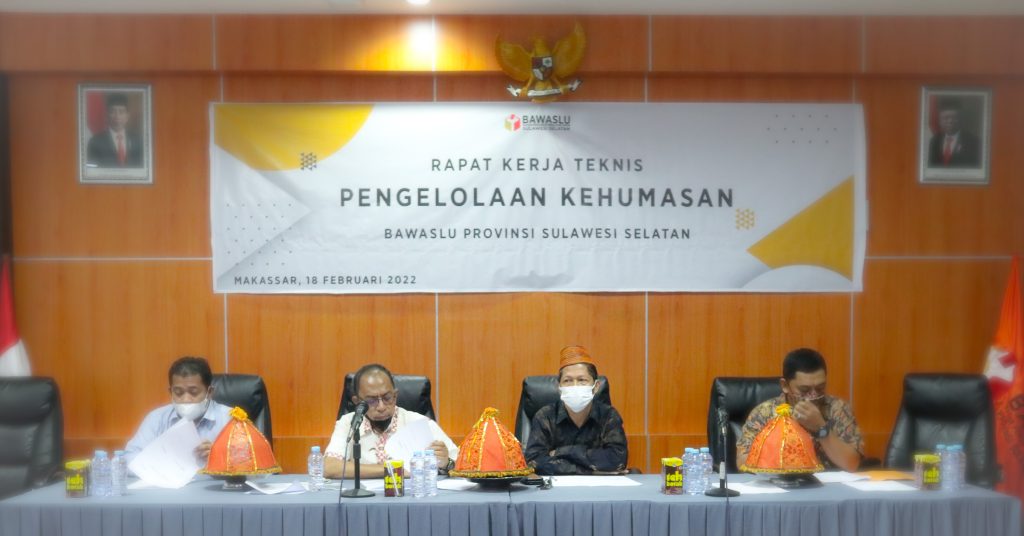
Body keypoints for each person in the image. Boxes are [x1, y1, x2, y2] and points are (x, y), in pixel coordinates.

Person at [737, 348, 864, 472]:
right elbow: (743, 462)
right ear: (785, 386)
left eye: (820, 388)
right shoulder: (764, 413)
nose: (813, 396)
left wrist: (821, 428)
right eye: (804, 390)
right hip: (779, 481)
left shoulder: (838, 409)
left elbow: (852, 464)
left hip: (829, 483)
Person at [324, 363, 459, 479]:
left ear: (395, 396)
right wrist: (393, 469)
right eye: (371, 400)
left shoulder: (420, 423)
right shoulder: (348, 423)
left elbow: (462, 465)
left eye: (387, 398)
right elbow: (329, 467)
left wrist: (447, 463)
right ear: (357, 401)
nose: (381, 407)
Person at [524, 345, 628, 475]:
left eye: (582, 380)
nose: (575, 386)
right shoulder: (545, 417)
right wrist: (589, 470)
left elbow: (617, 460)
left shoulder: (609, 416)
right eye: (567, 381)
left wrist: (563, 452)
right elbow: (534, 462)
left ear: (596, 386)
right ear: (559, 387)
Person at [124, 356, 233, 465]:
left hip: (212, 476)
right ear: (171, 392)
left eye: (193, 392)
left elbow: (242, 460)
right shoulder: (157, 418)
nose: (186, 399)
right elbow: (130, 455)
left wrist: (220, 457)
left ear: (209, 392)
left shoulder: (229, 419)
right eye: (178, 392)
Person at [86, 93, 143, 168]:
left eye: (121, 112)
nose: (117, 116)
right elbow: (91, 168)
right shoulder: (95, 141)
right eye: (113, 111)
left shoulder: (137, 140)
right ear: (107, 115)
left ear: (127, 116)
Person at [927, 99, 980, 168]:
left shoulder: (973, 141)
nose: (950, 121)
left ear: (961, 119)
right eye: (945, 118)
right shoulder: (934, 141)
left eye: (954, 117)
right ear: (940, 121)